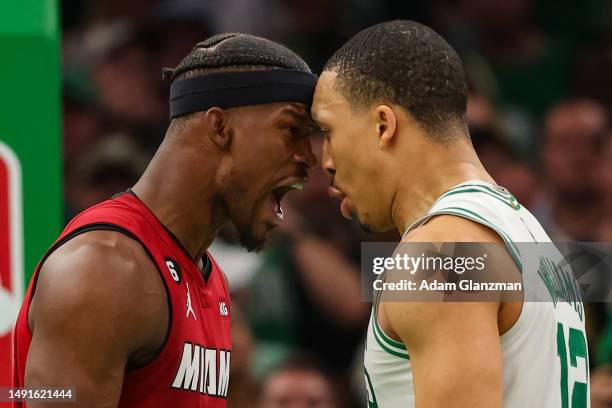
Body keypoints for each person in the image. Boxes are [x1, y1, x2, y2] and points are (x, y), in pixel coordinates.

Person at [12, 33, 317, 408]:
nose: (309, 158)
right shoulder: (102, 269)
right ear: (220, 128)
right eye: (291, 129)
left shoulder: (210, 278)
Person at [310, 20, 589, 407]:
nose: (324, 160)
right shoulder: (530, 233)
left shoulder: (437, 252)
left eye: (328, 131)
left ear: (382, 125)